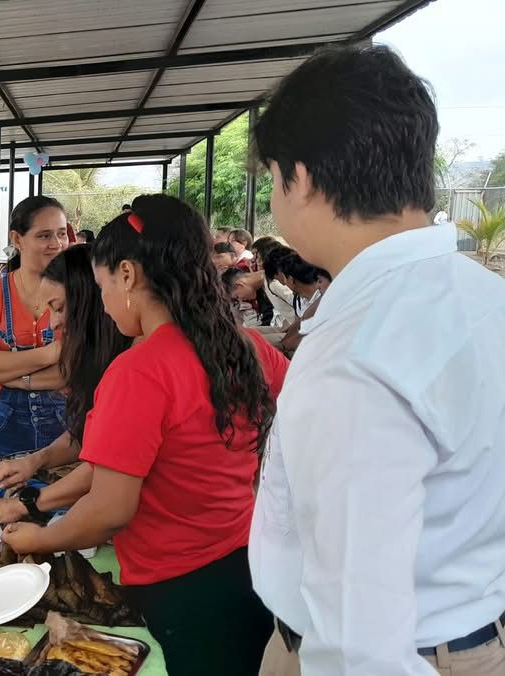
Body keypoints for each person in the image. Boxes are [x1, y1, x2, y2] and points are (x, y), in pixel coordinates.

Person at [250, 45, 505, 676]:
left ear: (300, 179)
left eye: (273, 180)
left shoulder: (358, 353)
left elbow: (358, 647)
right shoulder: (485, 298)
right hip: (472, 636)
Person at [2, 195, 288, 676]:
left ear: (128, 274)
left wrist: (40, 538)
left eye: (102, 286)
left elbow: (109, 510)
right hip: (250, 563)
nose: (104, 304)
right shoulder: (247, 345)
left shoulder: (140, 371)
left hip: (180, 587)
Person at [0, 244, 132, 534]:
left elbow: (105, 466)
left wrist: (25, 507)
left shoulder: (128, 368)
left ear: (91, 301)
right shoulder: (101, 360)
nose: (53, 323)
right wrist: (33, 461)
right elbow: (86, 436)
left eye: (59, 307)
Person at [0, 196, 69, 464]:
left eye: (61, 234)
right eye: (44, 235)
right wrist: (50, 354)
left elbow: (75, 370)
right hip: (6, 429)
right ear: (17, 239)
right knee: (3, 490)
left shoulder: (80, 293)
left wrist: (9, 375)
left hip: (68, 428)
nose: (57, 244)